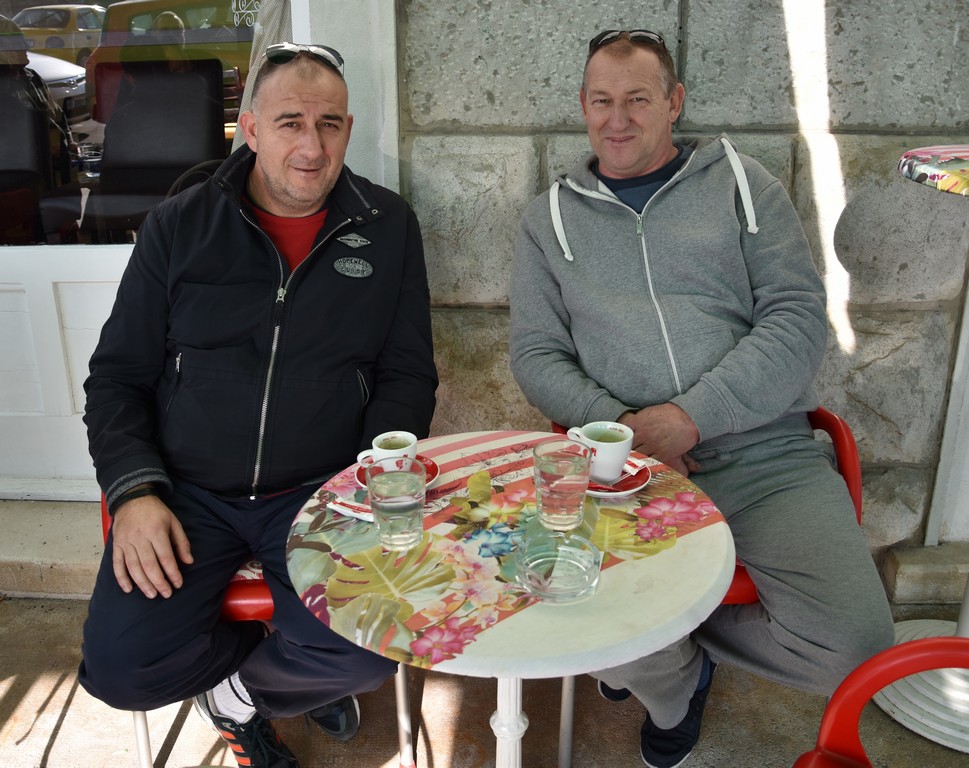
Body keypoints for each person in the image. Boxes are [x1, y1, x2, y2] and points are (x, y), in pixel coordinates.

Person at [509, 29, 893, 768]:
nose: (617, 119)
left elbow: (796, 317)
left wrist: (690, 419)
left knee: (855, 649)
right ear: (582, 105)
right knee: (568, 602)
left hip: (767, 456)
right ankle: (674, 684)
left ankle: (668, 639)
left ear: (674, 102)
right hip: (625, 470)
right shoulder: (546, 220)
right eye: (601, 101)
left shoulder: (746, 186)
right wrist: (626, 435)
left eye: (637, 99)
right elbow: (535, 355)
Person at [79, 42, 438, 768]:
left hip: (320, 493)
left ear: (348, 128)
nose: (312, 146)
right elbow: (116, 377)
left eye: (329, 124)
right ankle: (283, 660)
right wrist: (136, 491)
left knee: (370, 654)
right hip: (188, 493)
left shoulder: (387, 225)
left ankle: (238, 696)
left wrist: (370, 480)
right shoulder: (179, 225)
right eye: (289, 122)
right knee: (120, 671)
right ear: (249, 129)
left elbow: (405, 374)